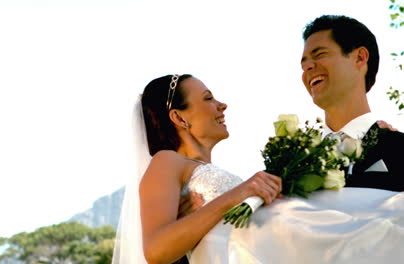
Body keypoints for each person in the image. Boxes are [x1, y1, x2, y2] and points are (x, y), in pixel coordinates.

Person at [111, 74, 282, 264]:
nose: (222, 105)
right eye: (208, 98)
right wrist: (239, 193)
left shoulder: (202, 169)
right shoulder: (166, 160)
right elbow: (155, 250)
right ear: (178, 117)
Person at [300, 15, 404, 191]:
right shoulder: (292, 163)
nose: (308, 67)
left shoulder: (399, 147)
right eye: (304, 64)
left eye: (320, 55)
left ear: (360, 58)